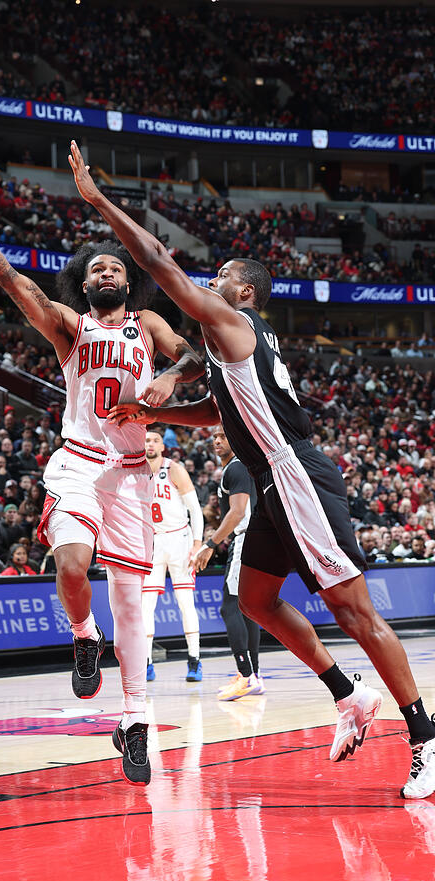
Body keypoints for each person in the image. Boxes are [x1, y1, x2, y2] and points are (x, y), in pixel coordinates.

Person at [69, 141, 435, 800]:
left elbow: (158, 264)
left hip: (295, 475)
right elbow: (218, 413)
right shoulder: (234, 347)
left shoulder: (234, 319)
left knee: (354, 614)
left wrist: (100, 202)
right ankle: (348, 695)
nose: (207, 283)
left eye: (220, 276)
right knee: (258, 600)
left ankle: (427, 738)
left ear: (242, 290)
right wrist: (158, 417)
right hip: (271, 480)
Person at [0, 185, 204, 786]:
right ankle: (82, 634)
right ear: (83, 282)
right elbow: (11, 282)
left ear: (128, 283)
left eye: (117, 266)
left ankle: (134, 719)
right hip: (79, 463)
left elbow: (194, 358)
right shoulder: (69, 328)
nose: (108, 270)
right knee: (73, 567)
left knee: (133, 605)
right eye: (97, 267)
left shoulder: (148, 323)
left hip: (133, 476)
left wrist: (168, 379)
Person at [198, 425, 264, 700]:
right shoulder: (243, 466)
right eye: (214, 437)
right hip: (256, 539)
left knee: (229, 608)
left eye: (223, 436)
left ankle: (246, 675)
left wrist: (210, 545)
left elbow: (237, 513)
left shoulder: (235, 468)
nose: (217, 441)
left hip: (245, 539)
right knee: (247, 609)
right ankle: (252, 676)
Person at [142, 429, 204, 682]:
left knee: (185, 602)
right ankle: (145, 662)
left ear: (162, 446)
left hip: (179, 539)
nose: (151, 444)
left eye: (155, 440)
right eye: (147, 440)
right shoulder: (136, 471)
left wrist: (198, 543)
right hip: (153, 541)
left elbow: (195, 509)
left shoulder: (174, 469)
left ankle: (194, 660)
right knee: (146, 606)